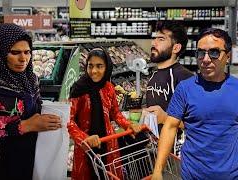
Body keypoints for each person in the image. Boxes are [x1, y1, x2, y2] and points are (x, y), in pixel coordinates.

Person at [0, 23, 61, 180]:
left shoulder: (29, 78)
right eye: (15, 52)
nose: (23, 59)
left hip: (29, 158)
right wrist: (25, 126)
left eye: (27, 52)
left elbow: (36, 108)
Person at [152, 28, 238, 180]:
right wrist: (158, 171)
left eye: (214, 53)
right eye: (200, 53)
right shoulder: (185, 88)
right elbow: (170, 127)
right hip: (192, 175)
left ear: (228, 56)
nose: (205, 59)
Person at [67, 48, 140, 180]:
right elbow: (69, 121)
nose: (94, 71)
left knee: (109, 175)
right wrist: (84, 138)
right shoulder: (78, 90)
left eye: (99, 66)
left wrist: (128, 125)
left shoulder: (108, 88)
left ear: (107, 67)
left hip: (108, 144)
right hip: (86, 149)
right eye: (90, 66)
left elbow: (115, 113)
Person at [144, 21, 193, 156]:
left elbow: (198, 123)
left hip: (178, 156)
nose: (154, 43)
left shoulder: (185, 77)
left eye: (161, 39)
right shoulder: (153, 75)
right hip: (157, 152)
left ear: (176, 48)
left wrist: (166, 118)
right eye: (154, 38)